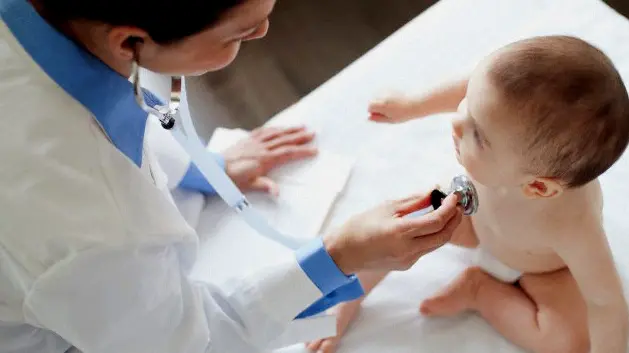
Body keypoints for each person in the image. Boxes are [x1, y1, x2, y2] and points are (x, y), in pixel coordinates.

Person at [0, 0, 466, 352]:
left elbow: (106, 107)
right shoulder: (93, 226)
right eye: (240, 34)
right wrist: (340, 258)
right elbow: (190, 343)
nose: (265, 30)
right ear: (127, 42)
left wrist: (203, 170)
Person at [307, 35, 629, 353]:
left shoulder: (574, 225)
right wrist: (411, 105)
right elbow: (474, 86)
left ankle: (480, 292)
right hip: (471, 219)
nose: (457, 122)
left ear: (537, 187)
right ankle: (349, 298)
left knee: (568, 343)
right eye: (469, 106)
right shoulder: (502, 116)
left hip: (543, 269)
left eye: (479, 135)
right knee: (402, 229)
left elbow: (606, 302)